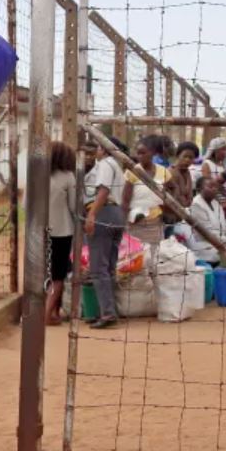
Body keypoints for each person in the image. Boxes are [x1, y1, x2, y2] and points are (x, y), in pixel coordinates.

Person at [84, 136, 127, 329]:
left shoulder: (105, 164)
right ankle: (110, 310)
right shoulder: (117, 166)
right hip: (116, 214)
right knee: (109, 267)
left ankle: (107, 313)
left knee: (98, 268)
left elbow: (103, 190)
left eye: (100, 146)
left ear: (106, 149)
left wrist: (92, 214)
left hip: (104, 212)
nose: (97, 150)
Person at [47, 141, 77, 326]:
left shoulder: (37, 176)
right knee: (58, 275)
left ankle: (49, 312)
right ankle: (46, 314)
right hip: (61, 232)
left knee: (42, 273)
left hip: (38, 231)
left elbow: (26, 204)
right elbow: (74, 207)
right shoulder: (68, 177)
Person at [121, 139, 171, 246]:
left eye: (143, 153)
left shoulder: (163, 172)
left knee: (154, 256)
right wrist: (123, 224)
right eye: (138, 153)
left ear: (153, 153)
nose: (140, 156)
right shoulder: (132, 172)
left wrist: (166, 211)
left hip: (155, 222)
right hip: (135, 222)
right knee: (135, 255)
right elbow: (125, 200)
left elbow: (171, 191)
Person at [188, 175, 226, 264]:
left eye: (215, 187)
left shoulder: (215, 203)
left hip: (221, 244)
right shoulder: (196, 204)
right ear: (199, 189)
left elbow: (224, 225)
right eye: (210, 187)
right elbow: (207, 232)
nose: (214, 189)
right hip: (206, 247)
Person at [165, 141, 197, 211]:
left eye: (191, 157)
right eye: (185, 156)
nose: (187, 160)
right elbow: (176, 197)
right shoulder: (171, 172)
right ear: (178, 155)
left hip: (186, 211)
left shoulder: (187, 172)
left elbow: (190, 195)